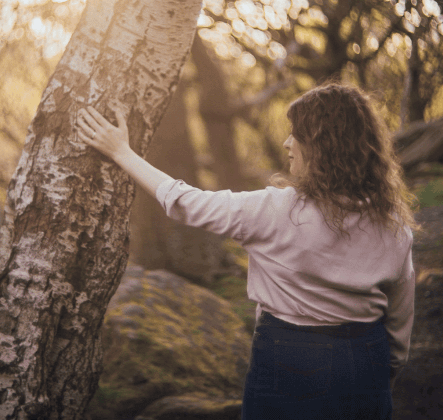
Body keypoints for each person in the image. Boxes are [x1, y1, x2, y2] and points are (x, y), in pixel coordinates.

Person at [77, 83, 415, 420]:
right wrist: (382, 371)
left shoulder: (275, 211)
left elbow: (183, 202)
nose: (287, 143)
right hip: (365, 357)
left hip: (290, 357)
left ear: (322, 147)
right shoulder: (393, 222)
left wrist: (121, 152)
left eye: (296, 135)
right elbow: (400, 315)